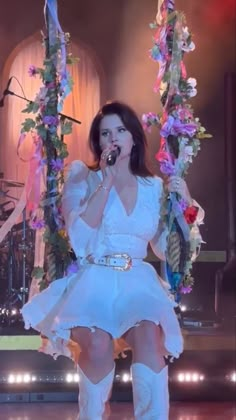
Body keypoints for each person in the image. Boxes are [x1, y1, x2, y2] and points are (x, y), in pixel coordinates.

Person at [22, 101, 196, 419]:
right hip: (96, 277)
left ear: (133, 137)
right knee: (99, 343)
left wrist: (183, 209)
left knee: (148, 335)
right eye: (105, 133)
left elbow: (160, 247)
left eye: (120, 130)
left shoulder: (153, 186)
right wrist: (106, 181)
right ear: (98, 142)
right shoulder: (82, 177)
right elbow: (81, 240)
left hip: (137, 280)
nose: (113, 138)